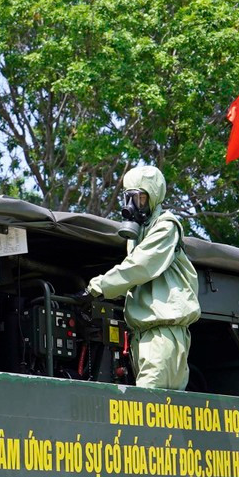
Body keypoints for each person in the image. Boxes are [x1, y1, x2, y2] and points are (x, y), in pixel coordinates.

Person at [85, 164, 200, 390]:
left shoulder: (166, 226)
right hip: (143, 335)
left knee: (151, 409)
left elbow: (139, 267)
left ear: (154, 197)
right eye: (128, 198)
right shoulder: (139, 233)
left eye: (140, 198)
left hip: (163, 334)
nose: (133, 206)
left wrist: (97, 287)